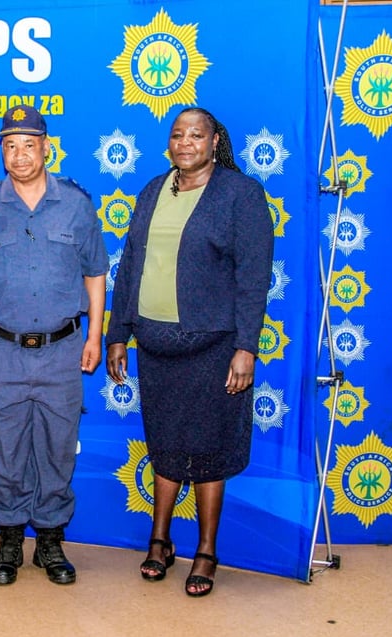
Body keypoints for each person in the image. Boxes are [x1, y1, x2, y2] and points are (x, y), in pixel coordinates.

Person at [105, 107, 274, 597]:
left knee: (209, 448)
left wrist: (246, 348)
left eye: (196, 134)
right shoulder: (154, 190)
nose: (185, 142)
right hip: (155, 347)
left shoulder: (241, 195)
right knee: (166, 445)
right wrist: (120, 332)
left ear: (215, 141)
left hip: (214, 348)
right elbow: (131, 263)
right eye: (177, 134)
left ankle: (205, 551)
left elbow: (253, 279)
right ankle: (159, 541)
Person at [0, 107, 107, 586]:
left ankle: (50, 542)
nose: (19, 155)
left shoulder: (77, 205)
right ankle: (8, 541)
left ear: (46, 147)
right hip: (0, 351)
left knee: (59, 451)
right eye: (10, 145)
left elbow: (96, 273)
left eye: (28, 144)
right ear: (1, 151)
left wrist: (96, 334)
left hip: (63, 349)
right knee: (7, 452)